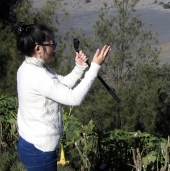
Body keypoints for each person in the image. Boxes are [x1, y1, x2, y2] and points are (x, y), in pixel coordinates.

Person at [15, 23, 111, 171]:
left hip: (29, 144)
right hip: (39, 151)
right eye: (50, 44)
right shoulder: (38, 75)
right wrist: (95, 68)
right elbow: (73, 98)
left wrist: (79, 68)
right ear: (38, 48)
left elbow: (60, 84)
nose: (53, 47)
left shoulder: (29, 67)